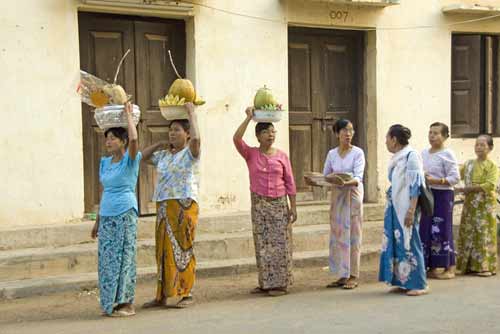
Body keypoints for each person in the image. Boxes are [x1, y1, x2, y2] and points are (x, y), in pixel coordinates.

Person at [233, 107, 297, 297]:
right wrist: (248, 118)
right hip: (259, 204)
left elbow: (290, 182)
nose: (271, 135)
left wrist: (293, 207)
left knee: (280, 244)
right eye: (266, 132)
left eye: (272, 131)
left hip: (279, 204)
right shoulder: (250, 154)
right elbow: (236, 139)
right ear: (258, 136)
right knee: (263, 243)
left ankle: (281, 284)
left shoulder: (281, 156)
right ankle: (265, 283)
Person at [142, 102, 200, 308]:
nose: (172, 134)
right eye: (170, 130)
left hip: (184, 204)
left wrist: (192, 114)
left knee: (183, 248)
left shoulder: (190, 154)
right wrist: (158, 145)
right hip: (164, 206)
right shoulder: (164, 156)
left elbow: (198, 139)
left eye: (177, 130)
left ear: (187, 134)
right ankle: (164, 294)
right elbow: (141, 157)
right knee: (164, 251)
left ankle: (186, 292)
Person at [91, 102, 141, 317]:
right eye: (107, 138)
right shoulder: (105, 162)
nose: (108, 142)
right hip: (108, 216)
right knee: (107, 261)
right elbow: (105, 192)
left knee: (125, 258)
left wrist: (129, 115)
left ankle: (126, 303)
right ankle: (110, 301)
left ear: (123, 142)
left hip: (125, 213)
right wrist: (97, 221)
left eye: (113, 138)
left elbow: (136, 139)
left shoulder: (131, 160)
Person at [379, 124, 428, 296]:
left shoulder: (411, 156)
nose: (385, 142)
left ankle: (419, 284)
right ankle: (402, 281)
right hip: (394, 206)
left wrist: (411, 210)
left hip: (406, 207)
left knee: (411, 242)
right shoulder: (397, 158)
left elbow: (416, 186)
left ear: (394, 139)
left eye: (387, 138)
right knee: (397, 242)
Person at [322, 119, 365, 290]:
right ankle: (342, 274)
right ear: (337, 133)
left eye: (351, 130)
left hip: (352, 196)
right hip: (337, 198)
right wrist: (324, 179)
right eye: (345, 130)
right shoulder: (332, 154)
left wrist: (345, 181)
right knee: (339, 235)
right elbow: (326, 175)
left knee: (354, 235)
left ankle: (353, 275)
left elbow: (358, 177)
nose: (348, 134)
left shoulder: (358, 153)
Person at [420, 122, 460, 279]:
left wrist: (437, 181)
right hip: (427, 194)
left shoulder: (447, 154)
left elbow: (455, 178)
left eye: (436, 133)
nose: (432, 136)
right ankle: (433, 266)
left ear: (445, 136)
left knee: (442, 230)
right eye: (430, 132)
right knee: (427, 228)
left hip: (443, 195)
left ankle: (449, 267)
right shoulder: (423, 153)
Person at [455, 134, 499, 277]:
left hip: (485, 206)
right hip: (470, 205)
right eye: (477, 145)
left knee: (484, 234)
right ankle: (466, 266)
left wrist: (469, 189)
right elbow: (456, 176)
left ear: (490, 148)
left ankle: (485, 267)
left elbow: (490, 184)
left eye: (482, 145)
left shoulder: (492, 166)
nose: (479, 147)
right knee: (468, 232)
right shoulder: (468, 164)